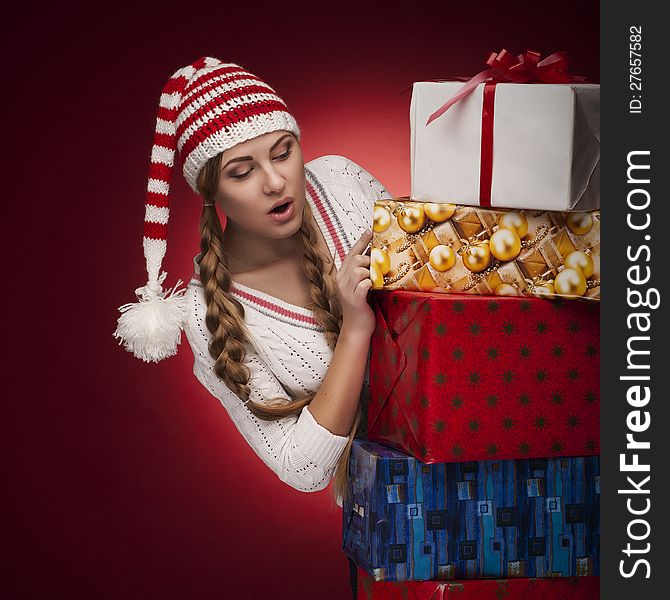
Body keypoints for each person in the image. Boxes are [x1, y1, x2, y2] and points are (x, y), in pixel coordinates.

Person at [114, 57, 390, 596]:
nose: (274, 182)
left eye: (283, 151)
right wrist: (355, 331)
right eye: (241, 172)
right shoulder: (209, 312)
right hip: (396, 523)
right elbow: (303, 467)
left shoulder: (340, 182)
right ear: (213, 191)